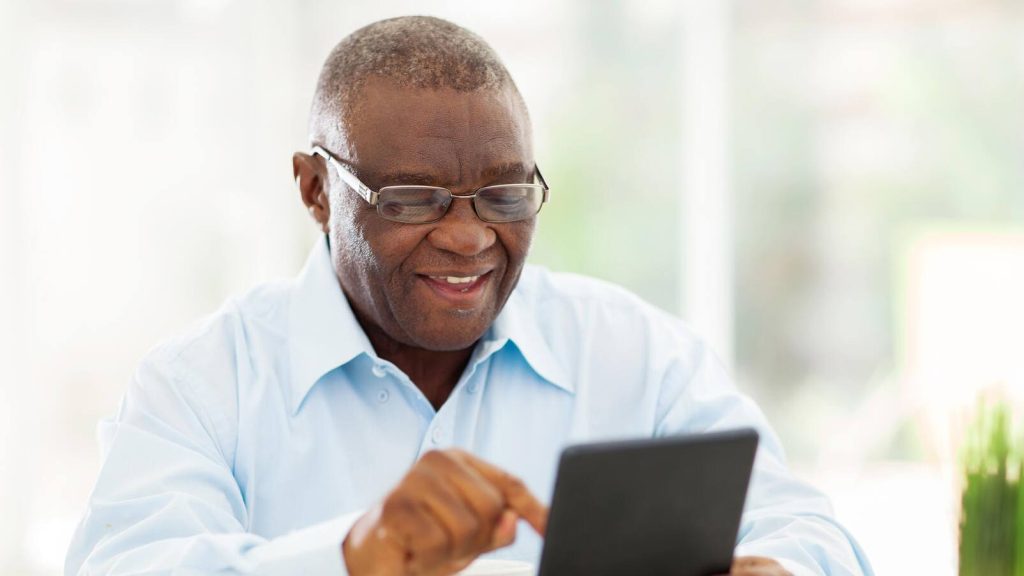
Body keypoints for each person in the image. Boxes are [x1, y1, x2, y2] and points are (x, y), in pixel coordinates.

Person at [65, 15, 872, 576]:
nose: (468, 237)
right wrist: (354, 558)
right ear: (315, 189)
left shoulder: (638, 358)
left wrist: (787, 568)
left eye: (506, 194)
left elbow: (812, 533)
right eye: (412, 198)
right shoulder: (204, 384)